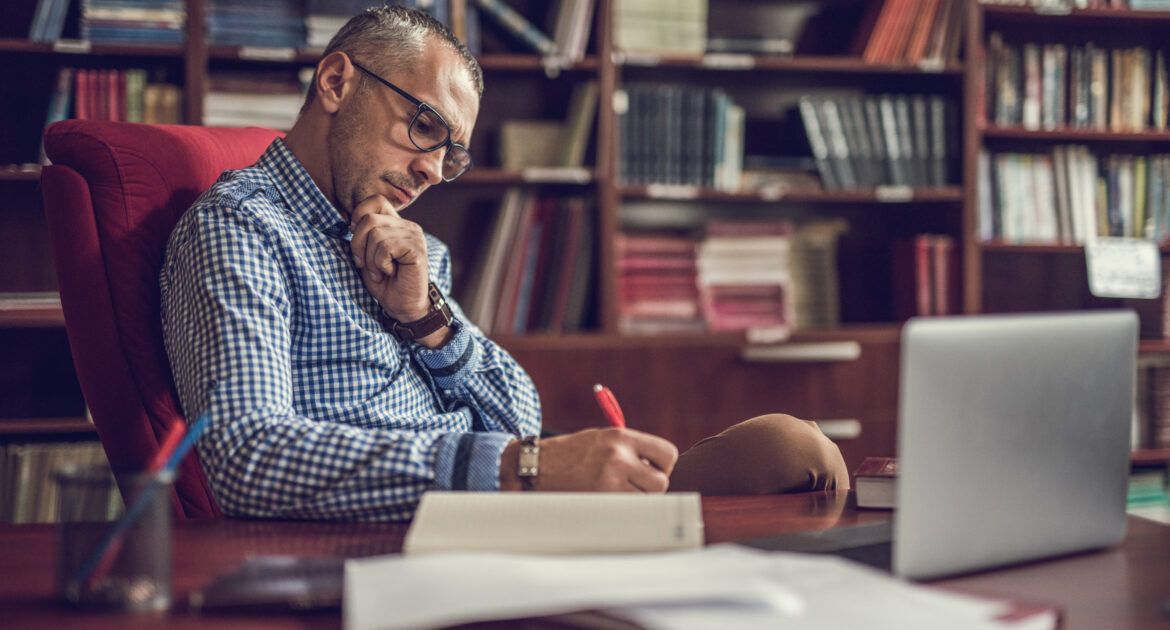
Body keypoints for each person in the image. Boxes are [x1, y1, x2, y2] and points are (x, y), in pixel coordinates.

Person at [161, 6, 847, 521]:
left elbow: (519, 409)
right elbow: (248, 459)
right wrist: (520, 468)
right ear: (338, 81)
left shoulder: (401, 246)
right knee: (793, 465)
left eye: (450, 154)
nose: (431, 169)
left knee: (797, 453)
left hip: (508, 502)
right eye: (423, 126)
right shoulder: (243, 228)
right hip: (425, 531)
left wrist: (426, 321)